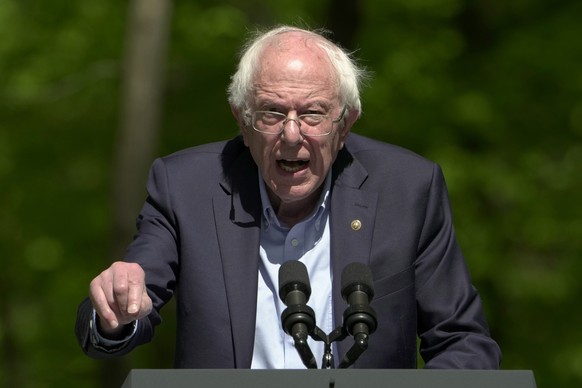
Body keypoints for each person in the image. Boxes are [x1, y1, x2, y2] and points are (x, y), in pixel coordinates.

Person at [75, 25, 501, 369]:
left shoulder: (408, 189)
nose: (292, 135)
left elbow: (463, 342)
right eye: (272, 113)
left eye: (313, 113)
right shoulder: (184, 186)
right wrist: (116, 311)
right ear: (242, 121)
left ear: (345, 122)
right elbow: (126, 306)